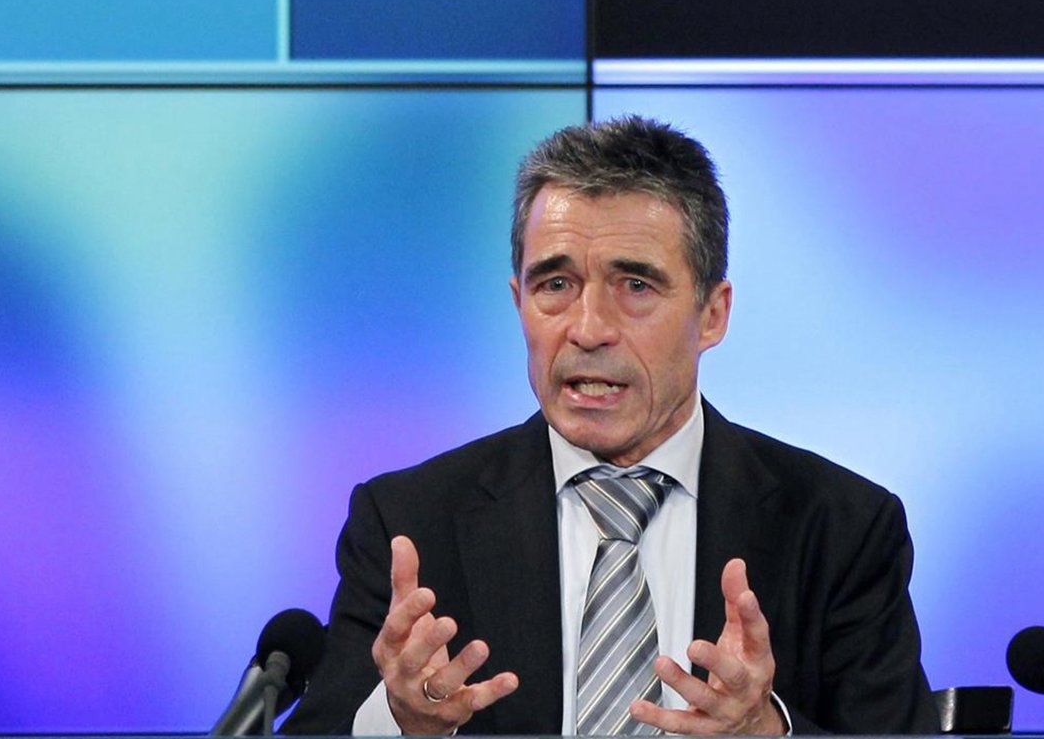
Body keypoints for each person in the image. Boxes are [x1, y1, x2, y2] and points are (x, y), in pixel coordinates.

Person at [285, 117, 939, 737]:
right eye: (555, 283)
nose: (589, 328)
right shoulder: (409, 523)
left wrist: (764, 730)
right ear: (518, 302)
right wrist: (401, 721)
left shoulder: (841, 527)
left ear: (713, 313)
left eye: (635, 285)